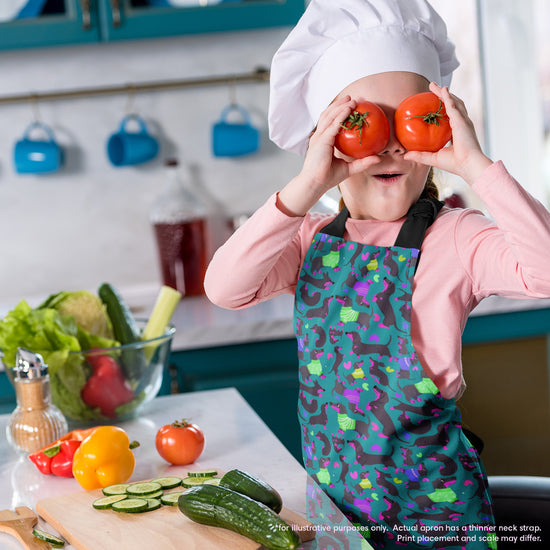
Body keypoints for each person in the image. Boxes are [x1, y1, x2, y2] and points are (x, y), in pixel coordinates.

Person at [204, 0, 550, 547]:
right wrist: (306, 186)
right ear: (327, 138)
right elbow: (224, 288)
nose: (389, 142)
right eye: (364, 122)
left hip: (439, 522)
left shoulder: (456, 237)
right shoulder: (307, 236)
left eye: (412, 121)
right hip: (338, 515)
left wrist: (477, 166)